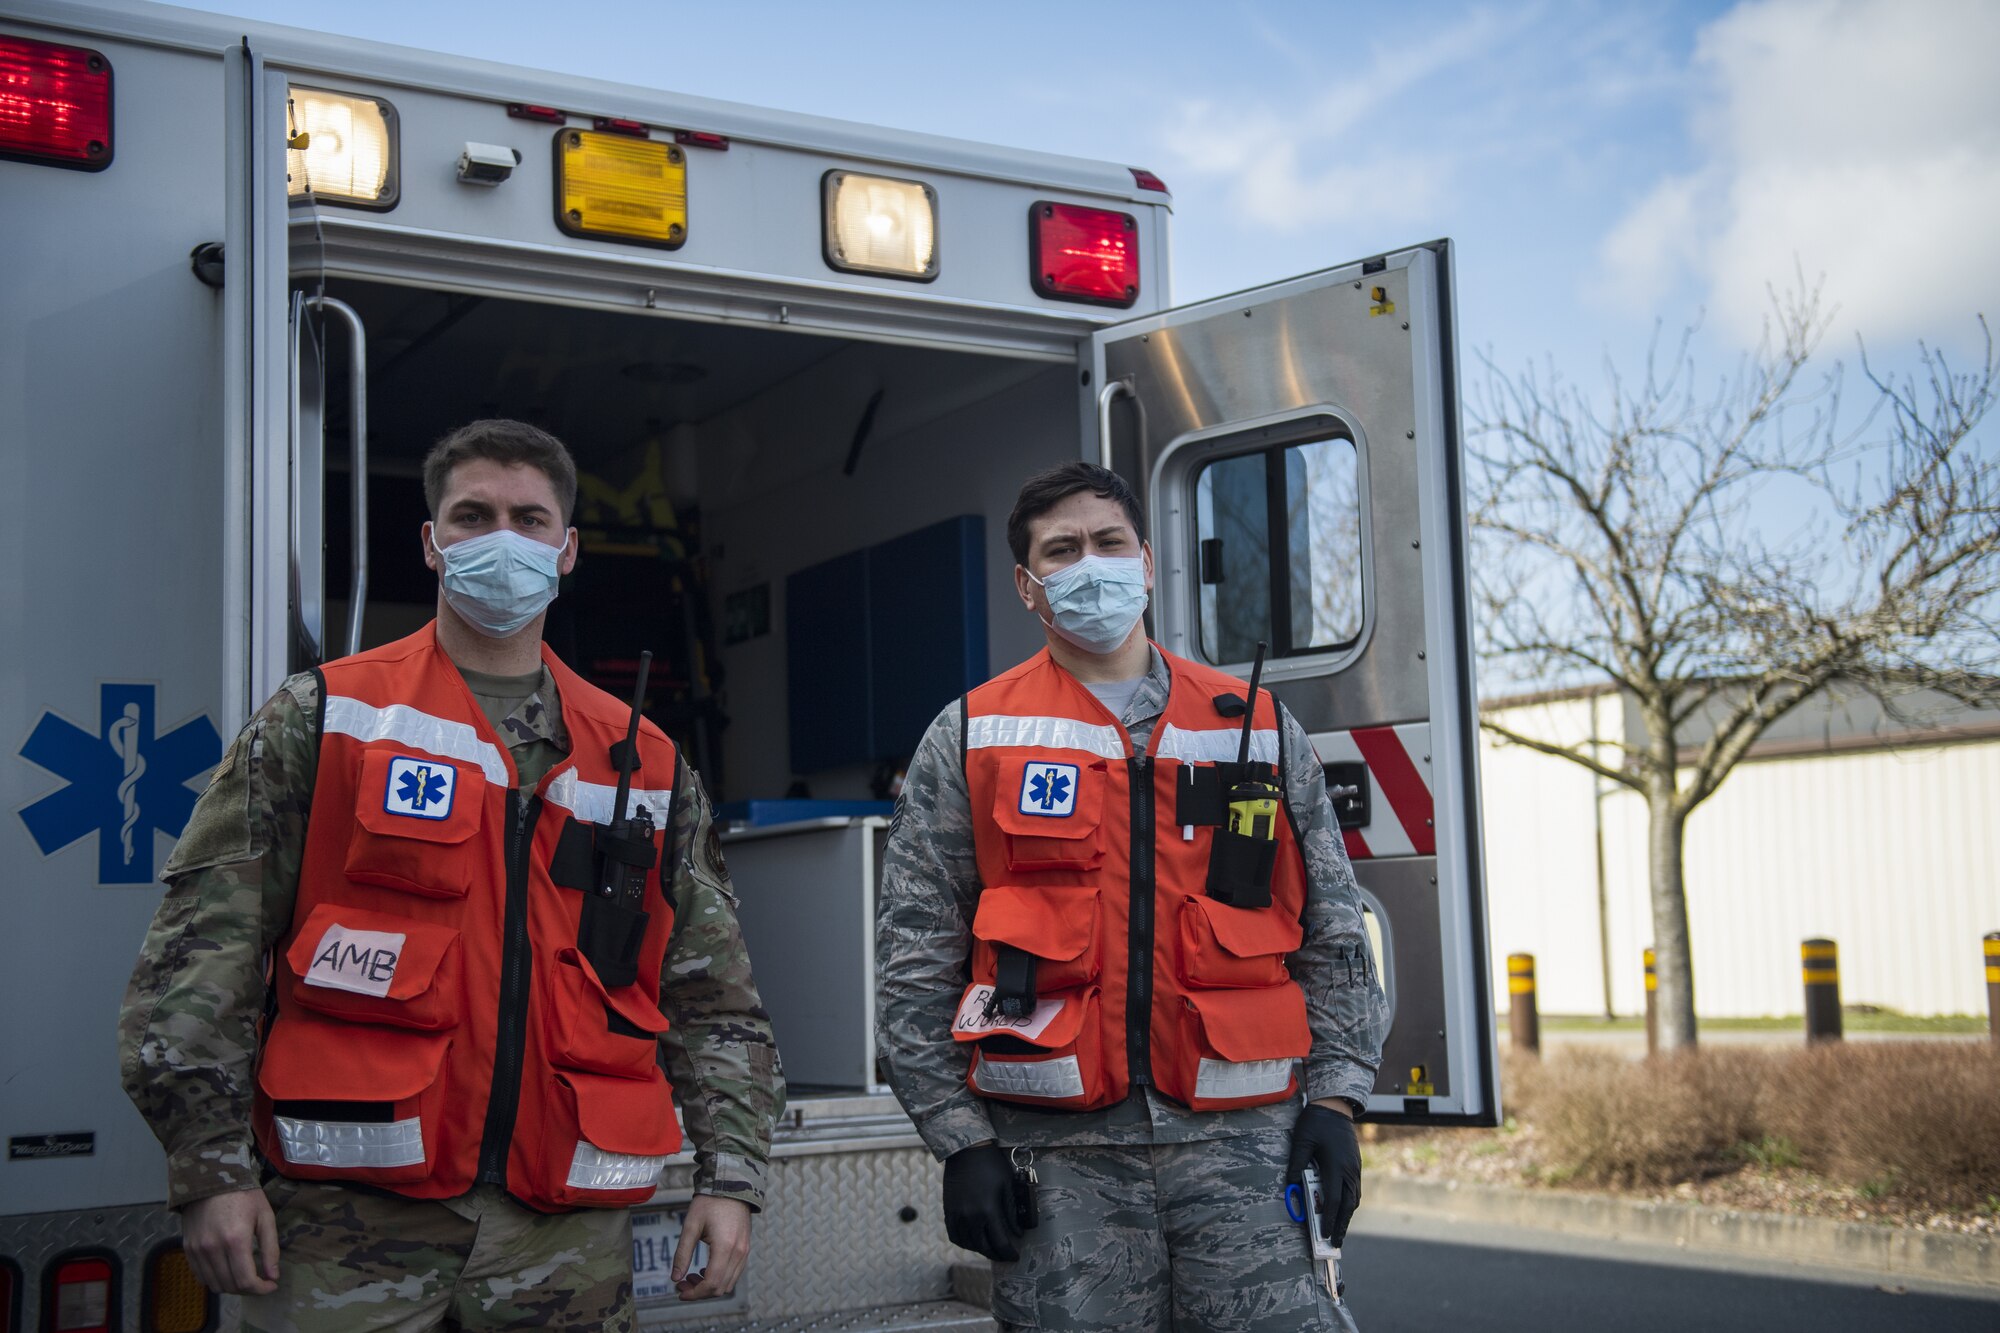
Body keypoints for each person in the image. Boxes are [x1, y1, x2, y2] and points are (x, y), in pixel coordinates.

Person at [120, 419, 783, 1331]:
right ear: (432, 545)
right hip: (345, 1228)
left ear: (567, 549)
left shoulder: (646, 760)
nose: (501, 540)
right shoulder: (327, 716)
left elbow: (714, 995)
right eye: (472, 516)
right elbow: (205, 951)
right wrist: (209, 1168)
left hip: (563, 1238)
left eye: (529, 518)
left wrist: (732, 1176)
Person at [876, 461, 1389, 1332]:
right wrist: (960, 1138)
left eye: (1109, 542)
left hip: (1244, 1150)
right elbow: (915, 956)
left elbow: (1333, 930)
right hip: (1059, 1160)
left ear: (1147, 562)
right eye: (1063, 550)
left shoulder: (1255, 728)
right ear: (1028, 586)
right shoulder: (971, 736)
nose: (1092, 564)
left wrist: (1336, 1102)